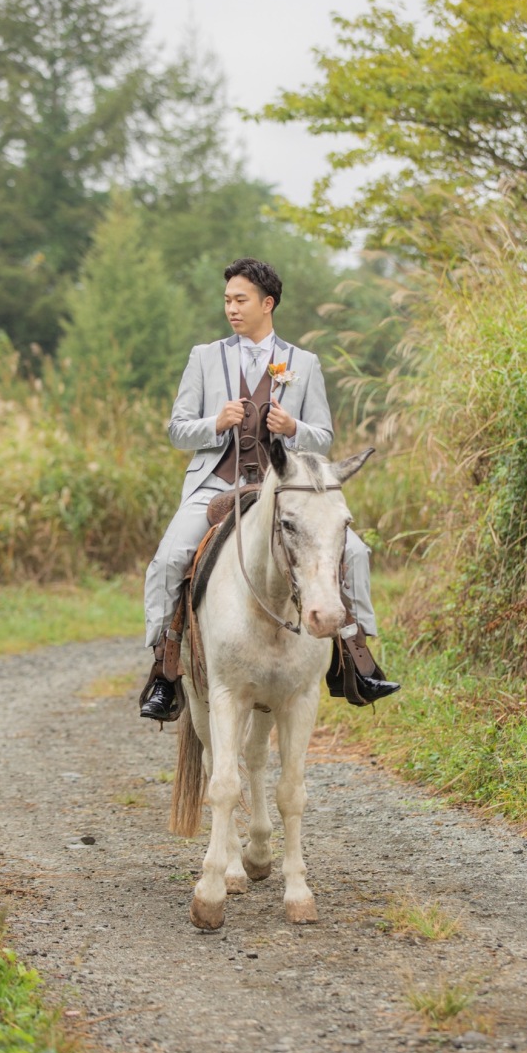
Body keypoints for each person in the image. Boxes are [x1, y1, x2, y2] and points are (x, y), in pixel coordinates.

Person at [140, 256, 400, 721]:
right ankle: (165, 671)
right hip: (216, 484)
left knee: (355, 554)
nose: (231, 309)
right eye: (226, 301)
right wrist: (215, 422)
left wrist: (293, 425)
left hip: (285, 489)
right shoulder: (204, 357)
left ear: (268, 303)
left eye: (240, 300)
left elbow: (323, 437)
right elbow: (177, 430)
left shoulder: (304, 363)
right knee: (167, 560)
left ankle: (355, 662)